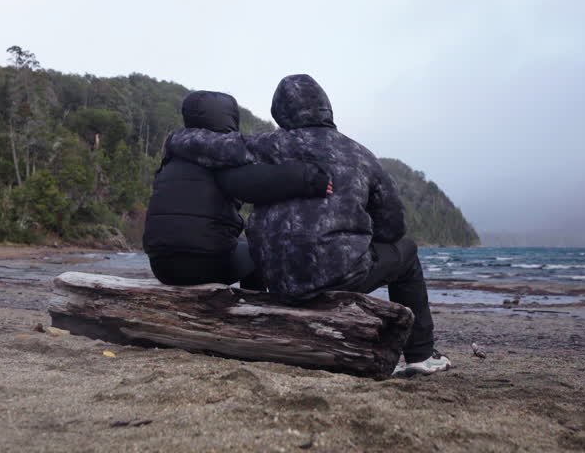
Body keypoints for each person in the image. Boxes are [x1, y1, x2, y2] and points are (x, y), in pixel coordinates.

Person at [164, 74, 450, 376]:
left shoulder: (269, 145)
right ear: (326, 108)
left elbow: (207, 145)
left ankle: (261, 321)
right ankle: (421, 355)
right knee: (407, 251)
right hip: (339, 278)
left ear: (280, 111)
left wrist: (173, 139)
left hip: (277, 278)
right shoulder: (361, 156)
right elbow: (393, 227)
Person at [143, 90, 330, 291]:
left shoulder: (171, 159)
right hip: (203, 265)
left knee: (235, 245)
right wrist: (308, 178)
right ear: (230, 117)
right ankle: (254, 303)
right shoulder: (220, 156)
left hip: (161, 266)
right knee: (258, 251)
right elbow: (259, 183)